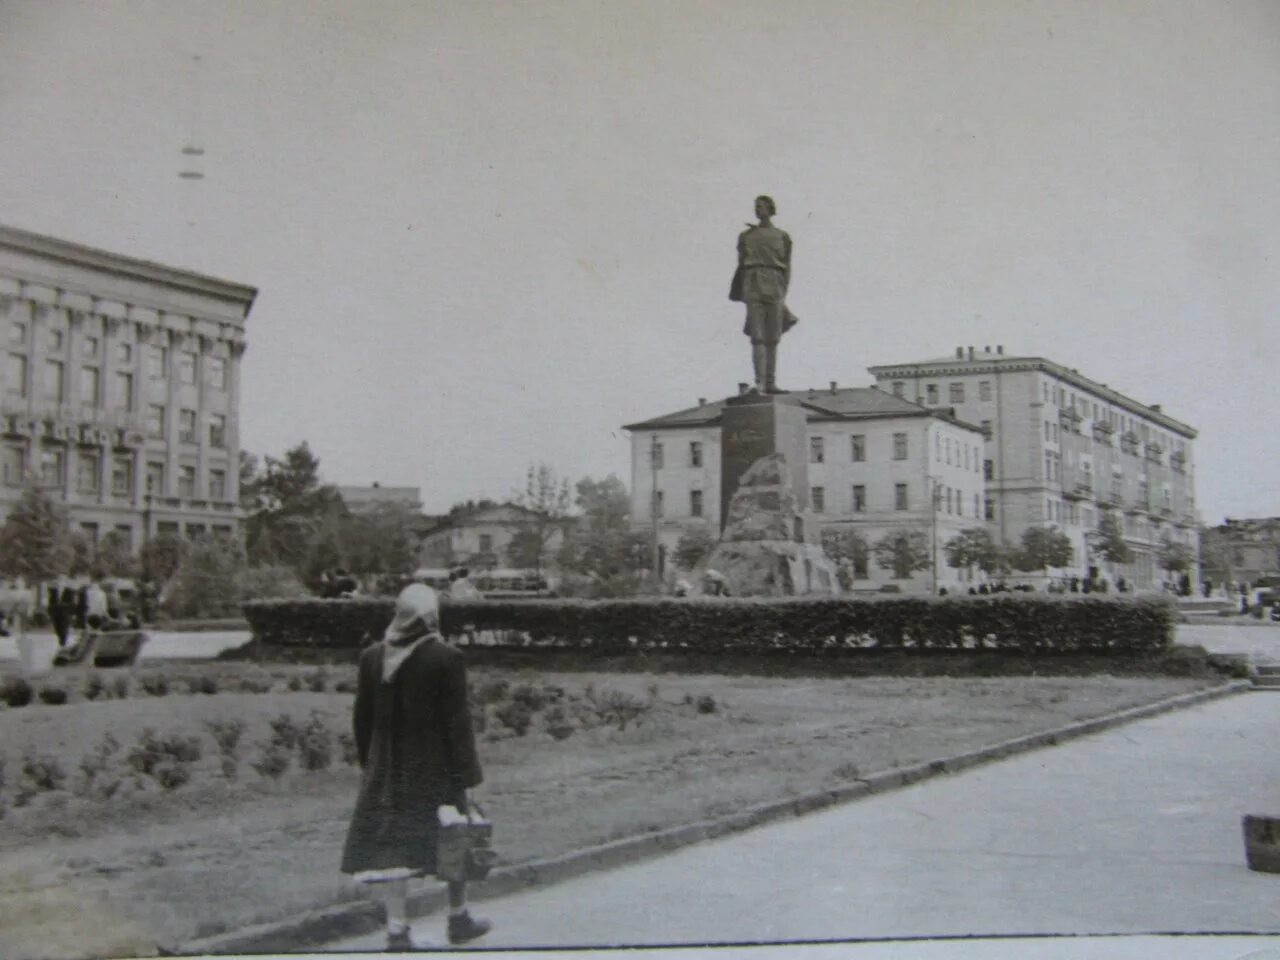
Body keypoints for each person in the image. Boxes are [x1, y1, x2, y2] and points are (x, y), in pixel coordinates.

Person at [341, 584, 490, 949]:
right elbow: (457, 724)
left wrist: (370, 764)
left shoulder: (372, 657)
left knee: (393, 847)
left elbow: (362, 720)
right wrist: (468, 775)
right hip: (436, 767)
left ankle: (397, 930)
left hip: (388, 770)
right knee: (455, 835)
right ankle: (458, 918)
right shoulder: (446, 658)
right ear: (430, 617)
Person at [729, 195, 797, 394]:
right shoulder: (746, 236)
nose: (757, 210)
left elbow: (788, 266)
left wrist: (783, 290)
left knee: (773, 336)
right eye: (755, 207)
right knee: (757, 335)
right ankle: (759, 382)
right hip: (753, 282)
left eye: (761, 207)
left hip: (775, 282)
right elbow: (741, 263)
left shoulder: (782, 236)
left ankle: (770, 382)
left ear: (770, 209)